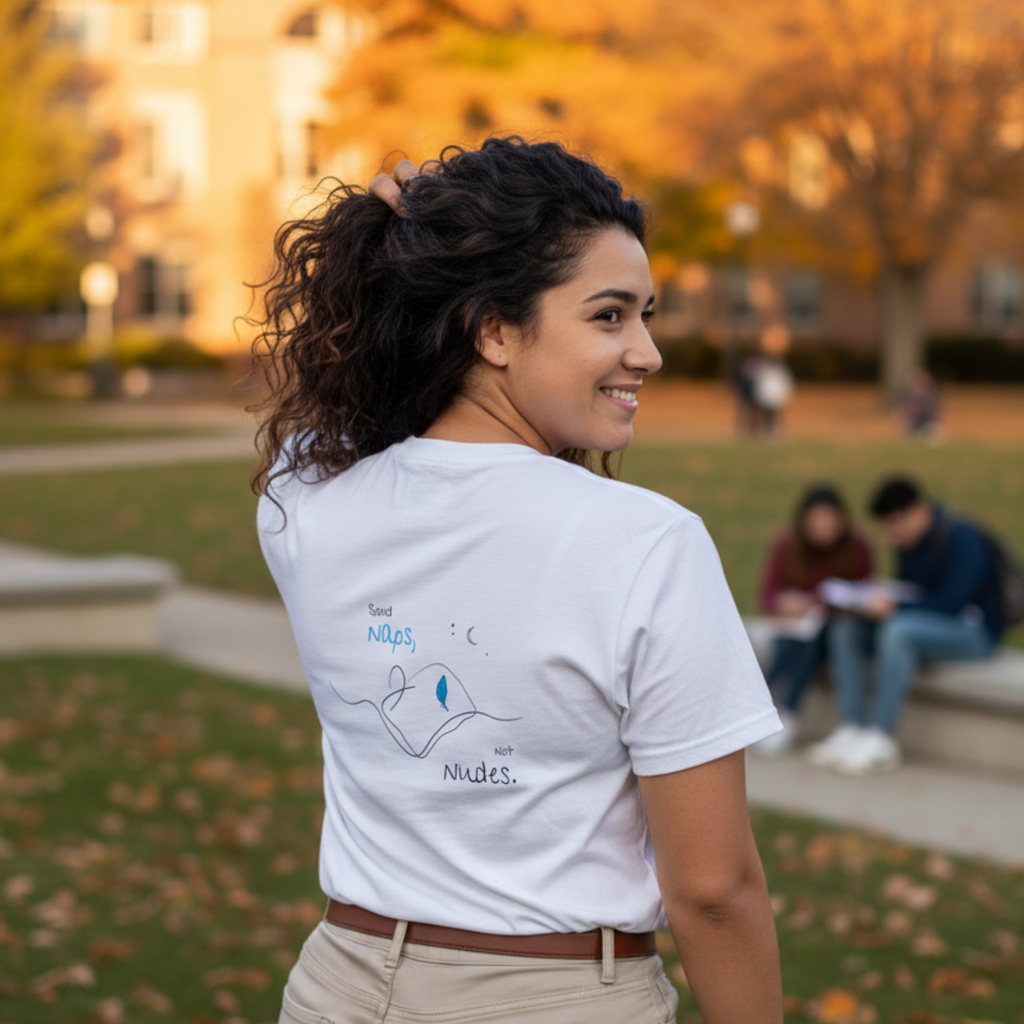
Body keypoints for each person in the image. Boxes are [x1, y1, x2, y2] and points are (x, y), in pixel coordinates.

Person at [251, 138, 783, 1024]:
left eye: (646, 314)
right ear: (492, 329)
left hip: (336, 991)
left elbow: (318, 412)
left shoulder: (306, 501)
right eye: (609, 316)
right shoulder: (646, 542)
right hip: (556, 1000)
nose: (647, 352)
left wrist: (398, 241)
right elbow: (715, 890)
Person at [809, 476, 1004, 775]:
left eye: (897, 524)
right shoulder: (906, 544)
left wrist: (895, 606)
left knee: (897, 631)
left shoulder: (960, 537)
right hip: (925, 626)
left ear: (920, 511)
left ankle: (881, 738)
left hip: (974, 633)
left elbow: (952, 602)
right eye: (888, 527)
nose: (893, 534)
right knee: (845, 628)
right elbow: (910, 591)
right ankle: (852, 727)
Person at [753, 485, 873, 757]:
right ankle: (774, 714)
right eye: (816, 519)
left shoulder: (857, 547)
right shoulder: (787, 546)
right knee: (793, 645)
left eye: (829, 518)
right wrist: (786, 605)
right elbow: (769, 596)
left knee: (807, 646)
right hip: (793, 629)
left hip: (834, 632)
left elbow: (863, 594)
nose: (823, 526)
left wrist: (819, 604)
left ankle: (780, 715)